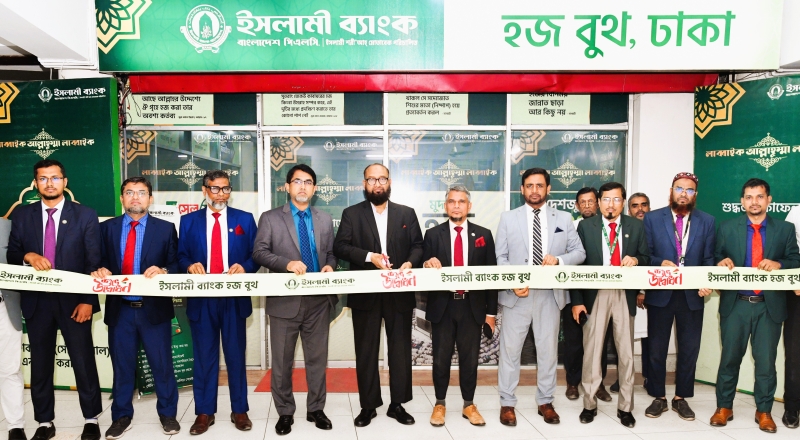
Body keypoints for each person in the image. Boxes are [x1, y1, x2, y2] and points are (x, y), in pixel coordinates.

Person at [7, 159, 104, 440]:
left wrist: (88, 300)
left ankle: (91, 419)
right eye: (43, 178)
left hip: (75, 302)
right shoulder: (23, 216)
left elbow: (93, 261)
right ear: (35, 183)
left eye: (55, 178)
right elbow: (13, 254)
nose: (49, 183)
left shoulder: (85, 215)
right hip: (37, 303)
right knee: (40, 365)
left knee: (83, 362)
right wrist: (28, 256)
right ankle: (44, 422)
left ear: (65, 182)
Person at [333, 163, 423, 427]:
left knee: (400, 352)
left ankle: (398, 405)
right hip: (366, 294)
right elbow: (340, 247)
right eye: (371, 180)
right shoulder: (352, 214)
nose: (377, 184)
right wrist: (368, 256)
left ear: (389, 182)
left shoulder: (406, 213)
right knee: (366, 352)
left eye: (382, 179)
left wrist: (410, 262)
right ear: (364, 184)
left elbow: (418, 245)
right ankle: (368, 405)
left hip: (399, 293)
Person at [90, 177, 180, 438]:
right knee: (122, 367)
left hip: (154, 311)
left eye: (141, 192)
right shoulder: (106, 228)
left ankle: (168, 414)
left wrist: (164, 270)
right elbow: (96, 261)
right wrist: (100, 269)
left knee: (162, 366)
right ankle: (121, 416)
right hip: (121, 311)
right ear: (122, 198)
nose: (135, 197)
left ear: (150, 198)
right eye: (129, 192)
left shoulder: (165, 229)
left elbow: (177, 264)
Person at [252, 164, 338, 435]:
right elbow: (259, 252)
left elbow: (331, 253)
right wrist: (286, 263)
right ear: (287, 187)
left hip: (318, 302)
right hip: (284, 301)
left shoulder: (324, 219)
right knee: (282, 362)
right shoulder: (270, 218)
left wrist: (330, 266)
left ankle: (316, 409)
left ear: (314, 188)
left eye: (308, 182)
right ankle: (285, 412)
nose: (303, 186)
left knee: (317, 360)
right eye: (297, 181)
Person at [496, 169, 586, 426]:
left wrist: (558, 260)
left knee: (548, 352)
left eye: (539, 185)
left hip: (549, 295)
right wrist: (513, 282)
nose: (534, 190)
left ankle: (545, 401)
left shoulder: (564, 218)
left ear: (548, 189)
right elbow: (500, 257)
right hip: (517, 295)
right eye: (529, 185)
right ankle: (507, 403)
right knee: (510, 352)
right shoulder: (508, 218)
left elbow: (579, 252)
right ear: (522, 189)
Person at [710, 178, 800, 433]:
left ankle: (764, 411)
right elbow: (716, 256)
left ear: (769, 200)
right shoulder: (727, 227)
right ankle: (724, 407)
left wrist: (779, 264)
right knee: (729, 359)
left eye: (760, 196)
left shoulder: (785, 229)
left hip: (768, 307)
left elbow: (795, 258)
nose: (754, 202)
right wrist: (720, 262)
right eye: (749, 197)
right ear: (742, 201)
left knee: (766, 364)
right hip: (735, 304)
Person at [177, 170, 259, 435]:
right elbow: (180, 256)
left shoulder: (244, 219)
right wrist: (189, 265)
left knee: (235, 356)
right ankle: (204, 412)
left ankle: (240, 410)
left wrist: (245, 267)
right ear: (204, 190)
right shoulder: (188, 221)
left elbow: (257, 255)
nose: (221, 194)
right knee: (204, 358)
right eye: (215, 188)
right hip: (202, 300)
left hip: (234, 299)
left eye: (225, 189)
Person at [572, 182, 650, 428]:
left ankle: (626, 408)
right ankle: (589, 404)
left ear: (623, 202)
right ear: (599, 202)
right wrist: (577, 301)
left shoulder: (636, 226)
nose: (611, 204)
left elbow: (647, 257)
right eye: (606, 199)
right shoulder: (586, 227)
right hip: (594, 294)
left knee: (626, 353)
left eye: (616, 199)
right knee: (592, 352)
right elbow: (576, 265)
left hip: (624, 294)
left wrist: (636, 259)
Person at [422, 185, 498, 427]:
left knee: (470, 359)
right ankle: (440, 404)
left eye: (461, 201)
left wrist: (491, 313)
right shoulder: (432, 235)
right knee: (440, 359)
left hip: (471, 307)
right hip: (443, 306)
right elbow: (422, 267)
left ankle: (469, 404)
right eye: (452, 201)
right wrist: (427, 263)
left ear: (469, 206)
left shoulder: (483, 235)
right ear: (446, 206)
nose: (456, 206)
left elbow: (491, 276)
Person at [642, 173, 715, 421]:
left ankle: (681, 398)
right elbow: (645, 255)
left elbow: (708, 259)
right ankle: (659, 397)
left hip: (692, 295)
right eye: (679, 188)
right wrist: (659, 263)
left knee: (689, 349)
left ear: (695, 195)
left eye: (689, 190)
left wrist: (706, 282)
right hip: (660, 292)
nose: (684, 193)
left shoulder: (707, 221)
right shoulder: (652, 218)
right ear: (671, 191)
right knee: (656, 348)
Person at [565, 187, 613, 402]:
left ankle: (598, 384)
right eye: (582, 202)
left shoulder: (609, 229)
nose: (586, 205)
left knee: (599, 342)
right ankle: (573, 383)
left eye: (590, 201)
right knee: (574, 342)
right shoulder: (571, 228)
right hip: (574, 293)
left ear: (598, 203)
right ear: (577, 206)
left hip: (600, 294)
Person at [0, 217, 26, 440]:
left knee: (9, 368)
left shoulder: (7, 226)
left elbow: (22, 259)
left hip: (4, 307)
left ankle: (15, 426)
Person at [626, 192, 652, 395]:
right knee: (625, 337)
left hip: (652, 292)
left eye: (644, 205)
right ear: (629, 210)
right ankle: (624, 379)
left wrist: (643, 291)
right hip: (629, 293)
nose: (640, 209)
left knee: (650, 339)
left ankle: (650, 378)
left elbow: (650, 260)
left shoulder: (655, 228)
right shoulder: (627, 228)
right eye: (635, 206)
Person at [783, 205, 800, 429]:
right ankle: (793, 406)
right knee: (795, 352)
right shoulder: (797, 212)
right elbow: (789, 253)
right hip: (798, 290)